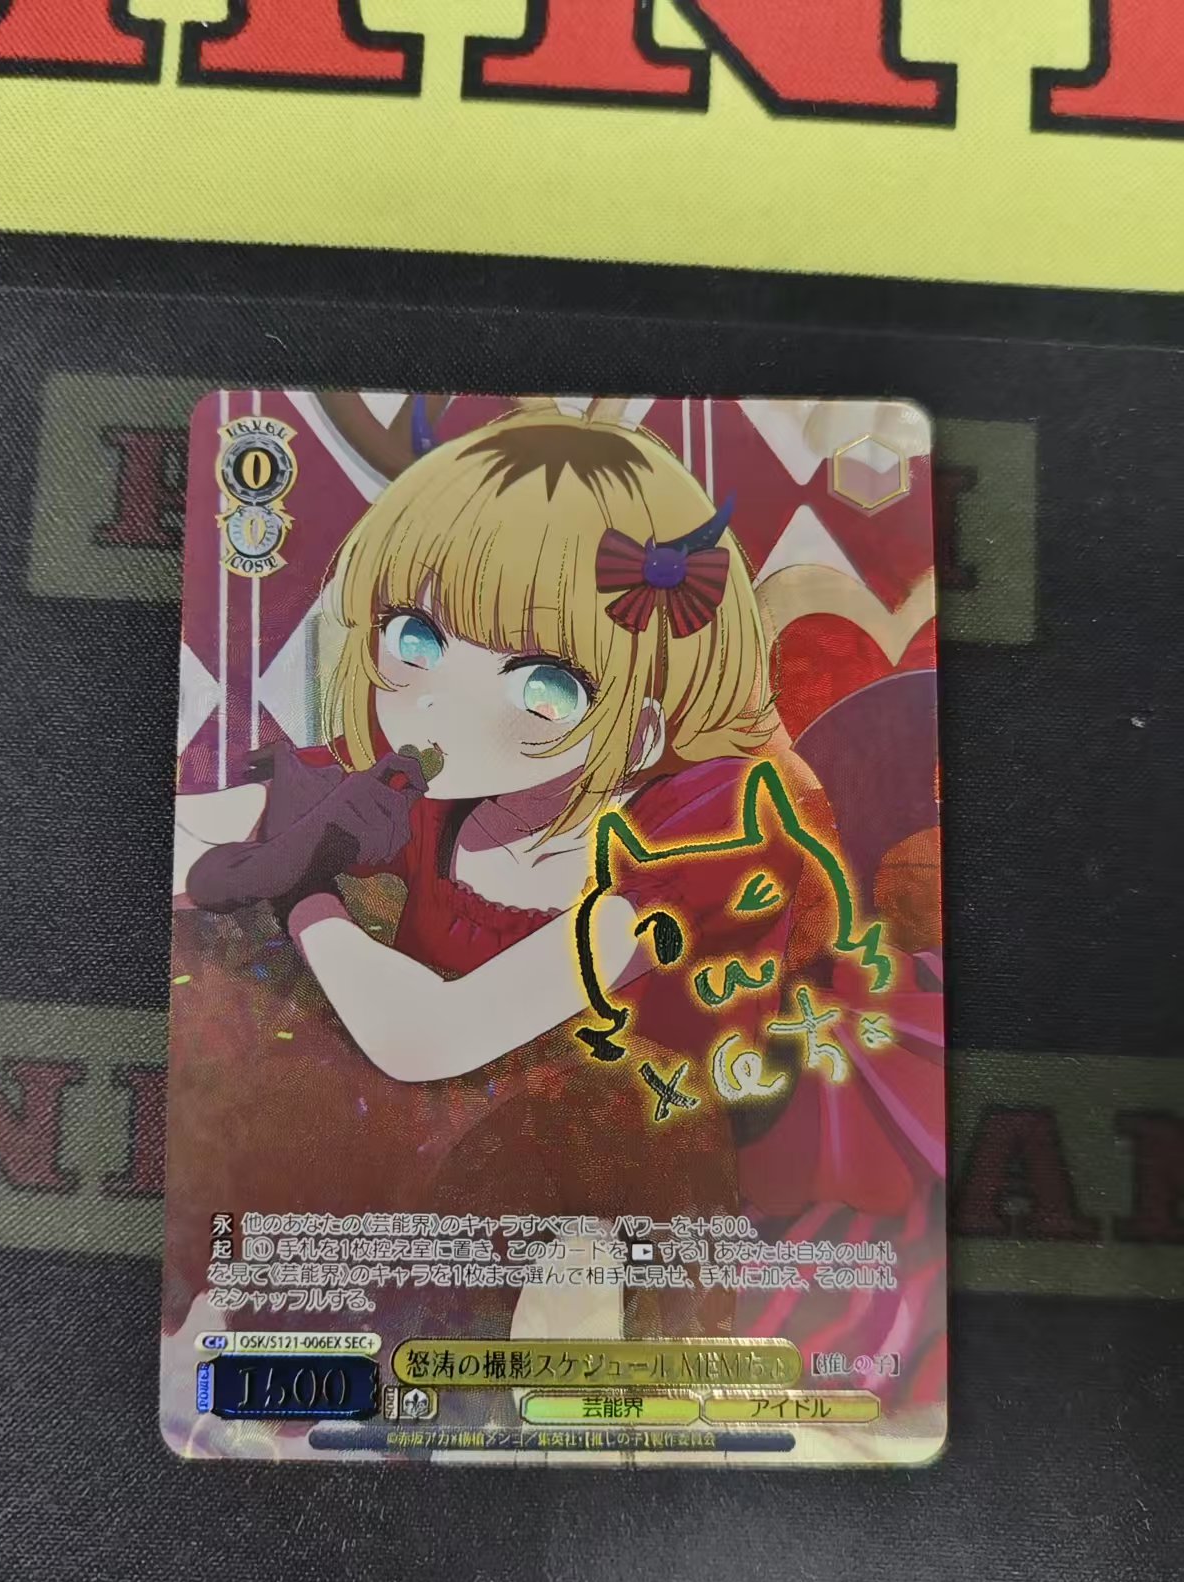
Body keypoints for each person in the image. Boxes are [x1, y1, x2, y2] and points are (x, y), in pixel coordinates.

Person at [171, 404, 942, 1375]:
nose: (436, 697)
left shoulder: (664, 857)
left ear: (644, 727)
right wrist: (258, 847)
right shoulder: (432, 791)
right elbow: (210, 829)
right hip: (435, 1124)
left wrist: (304, 895)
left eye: (543, 685)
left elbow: (427, 1035)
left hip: (616, 1143)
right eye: (415, 638)